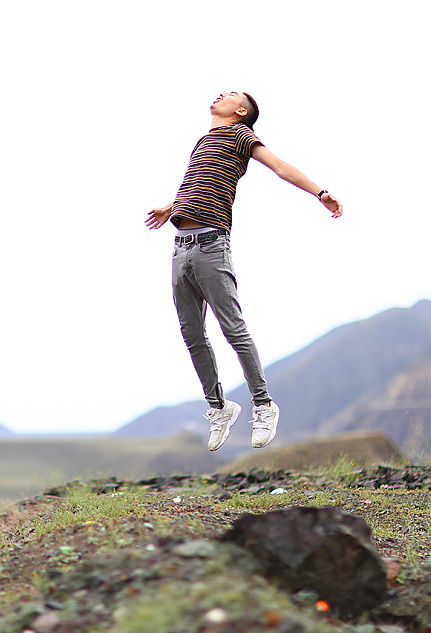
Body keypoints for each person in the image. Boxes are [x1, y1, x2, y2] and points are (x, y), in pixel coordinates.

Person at [145, 91, 343, 451]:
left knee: (232, 328)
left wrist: (321, 193)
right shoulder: (204, 141)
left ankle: (264, 404)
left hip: (211, 246)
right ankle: (219, 407)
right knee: (191, 333)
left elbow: (281, 167)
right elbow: (200, 183)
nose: (221, 93)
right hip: (180, 248)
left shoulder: (241, 136)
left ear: (240, 112)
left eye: (232, 94)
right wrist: (171, 206)